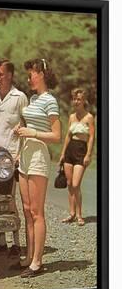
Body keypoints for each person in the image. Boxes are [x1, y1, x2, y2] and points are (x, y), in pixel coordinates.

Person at [14, 58, 61, 277]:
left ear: (41, 73)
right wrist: (21, 131)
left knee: (36, 211)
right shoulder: (33, 99)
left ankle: (38, 262)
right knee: (26, 209)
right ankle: (29, 256)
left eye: (31, 73)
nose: (28, 78)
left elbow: (56, 135)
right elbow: (29, 125)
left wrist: (32, 133)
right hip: (24, 154)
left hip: (39, 156)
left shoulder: (50, 101)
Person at [0, 59, 28, 258]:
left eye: (0, 73)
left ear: (10, 75)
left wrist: (20, 154)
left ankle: (17, 243)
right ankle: (0, 241)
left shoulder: (20, 97)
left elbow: (26, 126)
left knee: (10, 199)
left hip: (10, 157)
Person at [59, 88, 95, 226]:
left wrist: (88, 154)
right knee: (69, 184)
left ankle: (80, 215)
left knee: (76, 184)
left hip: (81, 150)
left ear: (84, 100)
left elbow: (92, 137)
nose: (76, 101)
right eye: (74, 99)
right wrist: (62, 153)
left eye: (79, 99)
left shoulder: (89, 117)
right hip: (70, 150)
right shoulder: (72, 117)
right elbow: (68, 136)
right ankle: (71, 213)